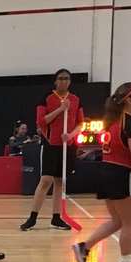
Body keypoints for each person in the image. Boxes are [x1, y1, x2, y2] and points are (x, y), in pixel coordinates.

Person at [71, 82, 131, 262]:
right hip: (122, 173)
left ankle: (84, 247)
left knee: (118, 221)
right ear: (129, 100)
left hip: (106, 171)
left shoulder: (112, 121)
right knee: (130, 222)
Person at [21, 68, 85, 231]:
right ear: (55, 81)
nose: (64, 81)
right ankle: (32, 218)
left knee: (60, 181)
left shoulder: (76, 99)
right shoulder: (47, 98)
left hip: (68, 145)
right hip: (51, 144)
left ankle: (56, 218)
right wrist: (60, 109)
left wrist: (70, 135)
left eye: (67, 79)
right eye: (61, 78)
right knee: (46, 180)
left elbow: (80, 123)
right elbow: (41, 121)